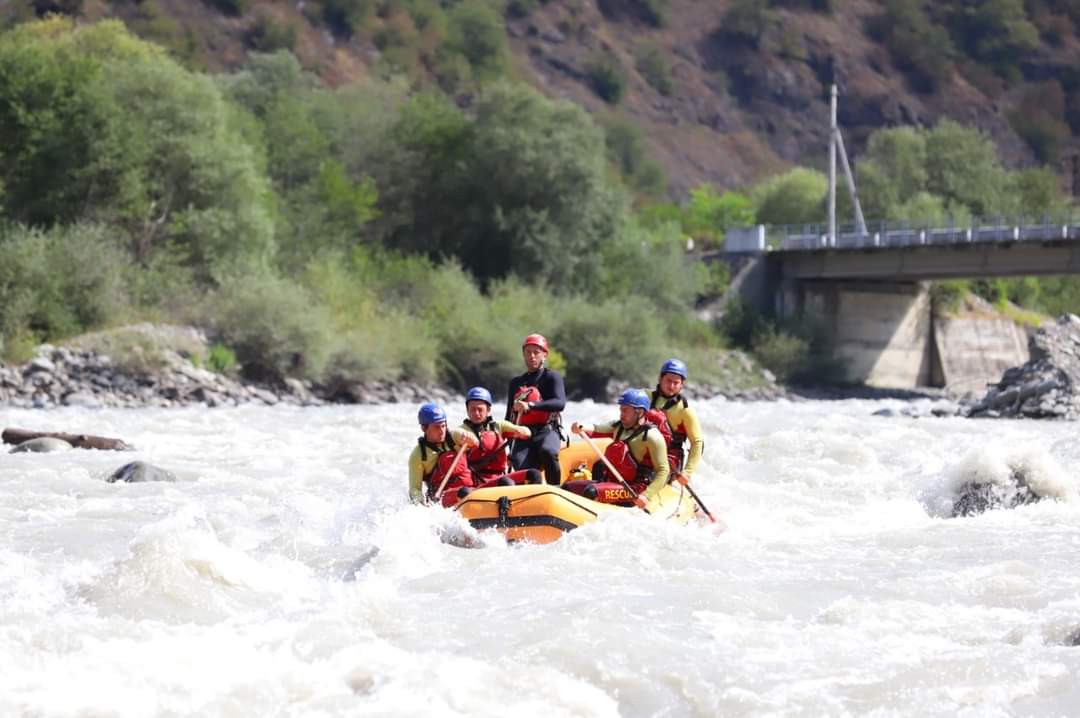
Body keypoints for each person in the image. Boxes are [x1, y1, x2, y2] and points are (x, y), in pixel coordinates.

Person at [570, 388, 670, 508]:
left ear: (640, 412)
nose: (621, 415)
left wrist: (646, 495)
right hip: (614, 483)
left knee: (591, 492)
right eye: (621, 410)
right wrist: (580, 427)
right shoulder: (619, 426)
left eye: (625, 411)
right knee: (568, 487)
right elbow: (597, 428)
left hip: (634, 490)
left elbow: (664, 471)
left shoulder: (653, 437)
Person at [505, 333, 566, 485]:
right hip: (523, 434)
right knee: (526, 470)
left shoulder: (552, 377)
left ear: (544, 355)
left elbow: (560, 403)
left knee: (548, 451)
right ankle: (533, 495)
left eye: (536, 352)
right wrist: (506, 446)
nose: (532, 356)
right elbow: (509, 416)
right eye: (528, 352)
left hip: (547, 430)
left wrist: (531, 406)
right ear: (524, 355)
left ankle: (555, 488)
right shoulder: (516, 383)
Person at [460, 386, 542, 486]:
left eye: (480, 409)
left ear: (488, 410)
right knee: (506, 482)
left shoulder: (499, 426)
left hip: (499, 476)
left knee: (534, 474)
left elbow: (527, 432)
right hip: (476, 481)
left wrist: (521, 430)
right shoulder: (462, 431)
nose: (476, 413)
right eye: (472, 409)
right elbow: (455, 435)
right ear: (467, 410)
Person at [407, 402, 478, 507]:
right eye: (436, 427)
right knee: (464, 493)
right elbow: (415, 489)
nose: (442, 431)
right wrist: (420, 505)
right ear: (424, 428)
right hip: (443, 498)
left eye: (443, 426)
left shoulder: (454, 436)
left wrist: (472, 439)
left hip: (470, 489)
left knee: (505, 481)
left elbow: (475, 442)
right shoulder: (417, 455)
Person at [650, 358, 705, 480]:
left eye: (676, 383)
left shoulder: (684, 410)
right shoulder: (645, 397)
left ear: (682, 385)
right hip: (644, 454)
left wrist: (688, 472)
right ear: (660, 379)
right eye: (668, 381)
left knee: (650, 475)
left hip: (668, 460)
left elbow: (697, 443)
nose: (671, 386)